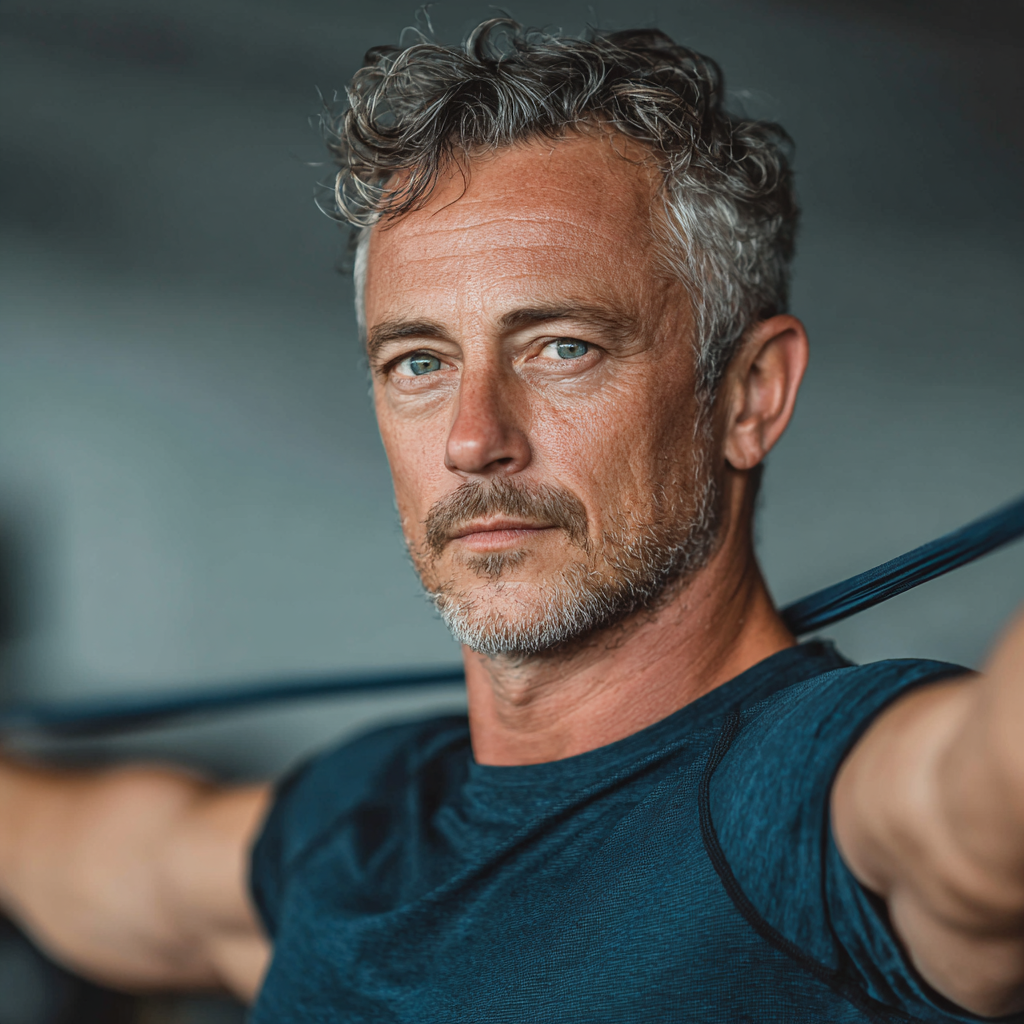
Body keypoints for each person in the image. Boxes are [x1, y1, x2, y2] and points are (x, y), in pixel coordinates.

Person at [0, 20, 1022, 1023]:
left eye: (561, 347)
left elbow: (983, 796)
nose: (473, 438)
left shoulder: (802, 801)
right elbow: (95, 859)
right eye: (419, 363)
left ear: (748, 394)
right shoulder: (359, 828)